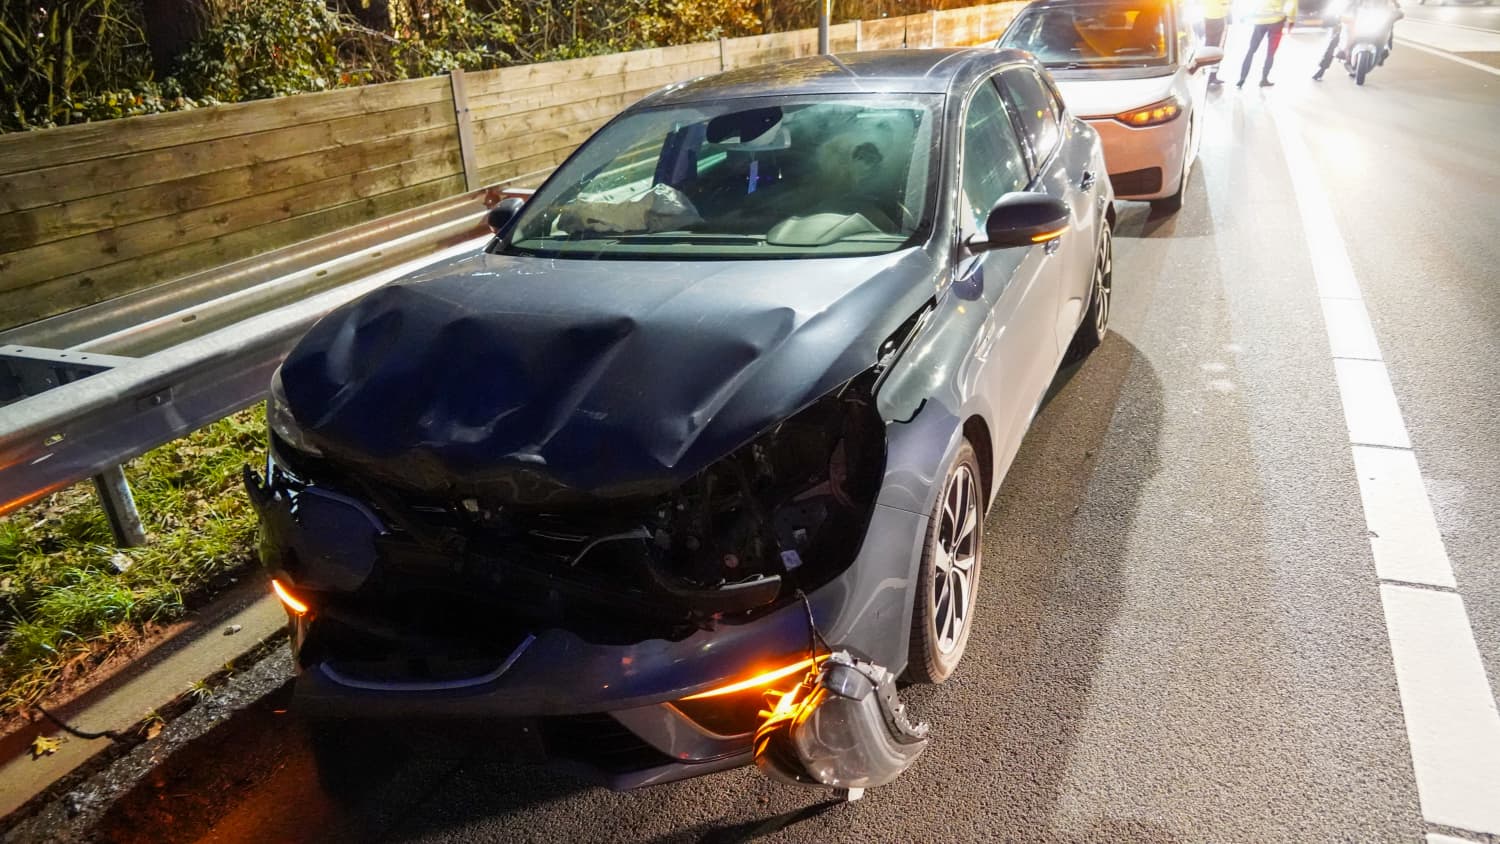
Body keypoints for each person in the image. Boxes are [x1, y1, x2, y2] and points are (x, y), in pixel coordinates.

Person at [1313, 0, 1402, 80]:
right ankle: (1322, 68)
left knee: (1388, 26)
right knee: (1336, 37)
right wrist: (1339, 12)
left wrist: (1397, 10)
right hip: (1354, 16)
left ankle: (1384, 51)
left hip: (1375, 17)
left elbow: (1395, 5)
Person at [1237, 0, 1298, 87]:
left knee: (1251, 50)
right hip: (1276, 22)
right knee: (1271, 53)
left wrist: (1250, 14)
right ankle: (1264, 79)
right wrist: (1291, 20)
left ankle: (1242, 78)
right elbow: (1292, 4)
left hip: (1260, 20)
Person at [1200, 0, 1231, 86]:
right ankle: (1212, 76)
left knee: (1208, 44)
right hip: (1219, 17)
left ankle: (1204, 71)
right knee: (1218, 47)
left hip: (1207, 16)